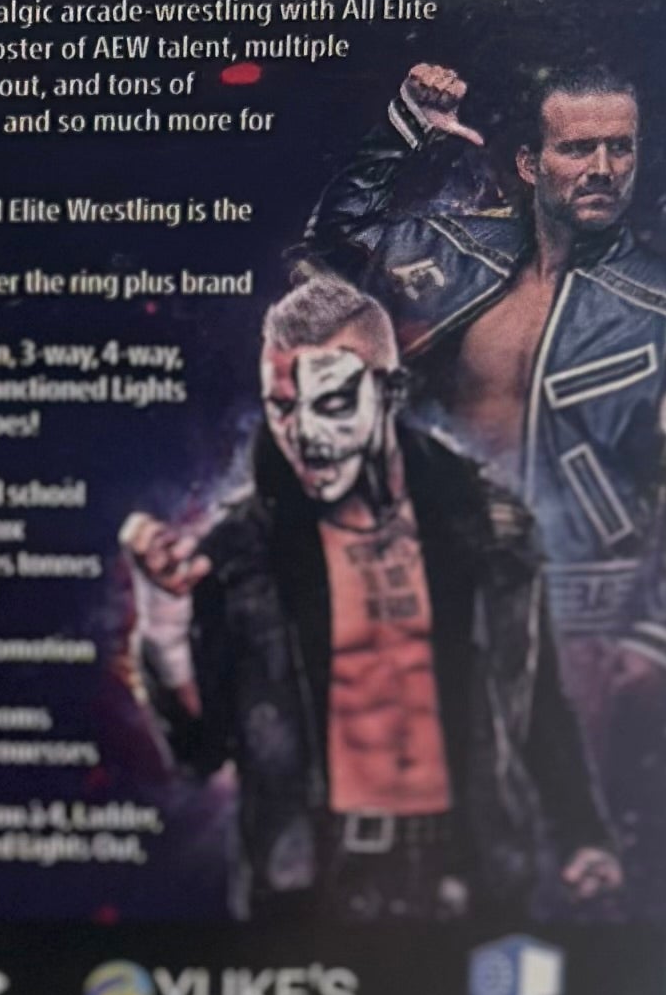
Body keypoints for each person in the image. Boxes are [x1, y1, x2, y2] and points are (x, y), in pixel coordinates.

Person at [299, 59, 666, 871]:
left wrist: (659, 631)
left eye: (621, 148)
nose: (602, 169)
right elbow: (336, 240)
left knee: (561, 826)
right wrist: (403, 129)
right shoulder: (454, 252)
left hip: (579, 594)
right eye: (578, 148)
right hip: (428, 571)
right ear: (529, 162)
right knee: (424, 813)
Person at [121, 271, 620, 923]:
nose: (304, 434)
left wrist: (582, 834)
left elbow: (536, 698)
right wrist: (162, 618)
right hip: (312, 882)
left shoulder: (486, 525)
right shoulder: (243, 551)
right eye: (282, 407)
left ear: (389, 392)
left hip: (470, 869)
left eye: (331, 403)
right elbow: (199, 749)